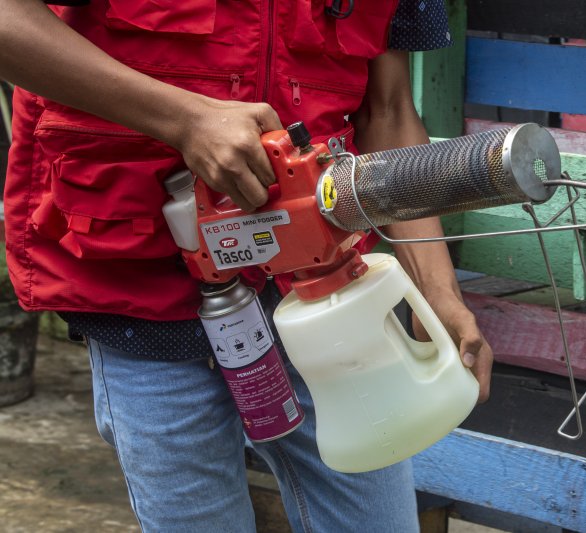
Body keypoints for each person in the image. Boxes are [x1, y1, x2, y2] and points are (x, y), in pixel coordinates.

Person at [1, 0, 493, 531]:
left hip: (325, 294)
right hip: (139, 292)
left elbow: (389, 110)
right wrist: (186, 120)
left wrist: (438, 291)